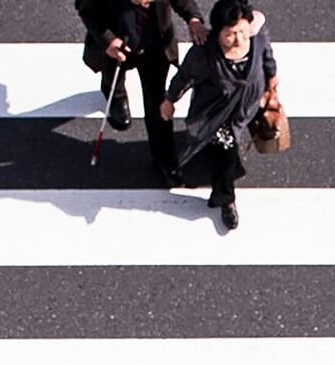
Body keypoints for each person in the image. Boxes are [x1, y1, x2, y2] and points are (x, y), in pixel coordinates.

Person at [160, 0, 278, 231]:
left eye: (243, 31)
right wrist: (169, 100)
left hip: (247, 108)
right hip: (216, 113)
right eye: (230, 34)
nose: (239, 39)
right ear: (218, 32)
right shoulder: (205, 53)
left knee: (220, 150)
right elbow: (184, 77)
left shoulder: (257, 38)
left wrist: (272, 81)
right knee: (227, 156)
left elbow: (267, 58)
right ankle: (226, 199)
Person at [78, 0, 207, 186]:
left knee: (157, 102)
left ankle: (164, 158)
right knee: (113, 73)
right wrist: (108, 39)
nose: (146, 3)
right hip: (118, 39)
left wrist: (193, 18)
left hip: (154, 45)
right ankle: (115, 93)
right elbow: (86, 10)